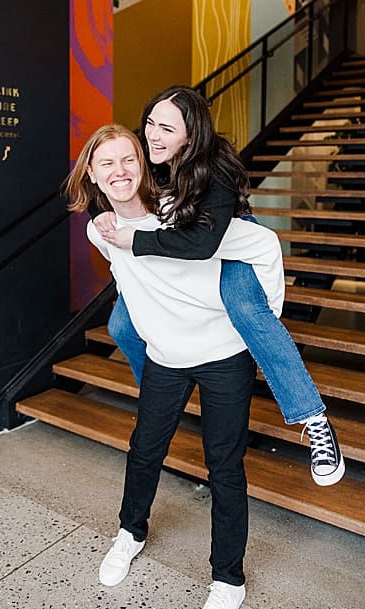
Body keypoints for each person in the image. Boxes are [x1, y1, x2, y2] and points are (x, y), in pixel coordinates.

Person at [65, 123, 284, 609]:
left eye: (129, 159)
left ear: (144, 165)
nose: (120, 171)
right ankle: (130, 533)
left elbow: (263, 247)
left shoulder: (180, 214)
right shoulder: (97, 229)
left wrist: (262, 320)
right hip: (166, 360)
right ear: (94, 178)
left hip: (224, 356)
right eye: (108, 164)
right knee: (144, 449)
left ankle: (228, 578)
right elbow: (129, 281)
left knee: (224, 467)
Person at [92, 86, 343, 487]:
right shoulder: (148, 153)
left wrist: (134, 241)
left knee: (245, 310)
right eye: (151, 123)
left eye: (166, 128)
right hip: (176, 248)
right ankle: (163, 397)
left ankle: (313, 418)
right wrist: (102, 215)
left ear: (190, 136)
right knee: (121, 326)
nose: (153, 135)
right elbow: (111, 178)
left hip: (229, 247)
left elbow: (202, 244)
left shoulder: (218, 168)